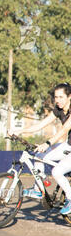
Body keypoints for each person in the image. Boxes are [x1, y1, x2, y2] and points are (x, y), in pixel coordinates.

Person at [12, 83, 71, 214]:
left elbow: (65, 129)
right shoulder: (58, 109)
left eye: (61, 97)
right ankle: (39, 189)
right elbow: (41, 124)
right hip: (69, 145)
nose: (58, 100)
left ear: (69, 97)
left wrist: (48, 143)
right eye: (56, 97)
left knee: (57, 172)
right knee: (39, 156)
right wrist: (19, 131)